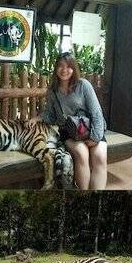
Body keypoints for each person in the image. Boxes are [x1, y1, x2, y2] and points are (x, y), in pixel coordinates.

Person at [27, 52, 107, 190]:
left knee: (100, 157)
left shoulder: (83, 85)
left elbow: (96, 112)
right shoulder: (53, 91)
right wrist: (37, 118)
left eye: (69, 66)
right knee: (82, 153)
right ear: (56, 68)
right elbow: (51, 115)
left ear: (74, 68)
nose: (64, 70)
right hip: (69, 131)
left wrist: (95, 137)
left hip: (90, 128)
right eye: (61, 66)